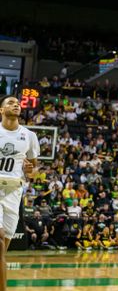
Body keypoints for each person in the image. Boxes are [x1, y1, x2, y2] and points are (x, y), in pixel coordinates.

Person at [0, 95, 40, 291]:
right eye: (10, 102)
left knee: (2, 250)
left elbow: (34, 166)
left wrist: (30, 170)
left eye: (17, 103)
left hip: (13, 191)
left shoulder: (29, 135)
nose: (15, 105)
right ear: (1, 110)